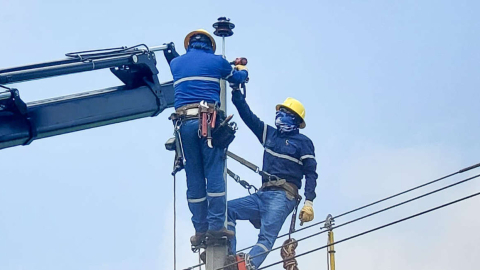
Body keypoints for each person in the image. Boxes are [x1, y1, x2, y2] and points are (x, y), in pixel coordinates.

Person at [169, 29, 248, 246]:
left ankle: (200, 229)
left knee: (193, 176)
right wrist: (242, 71)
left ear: (189, 44)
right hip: (208, 123)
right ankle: (215, 226)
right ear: (210, 45)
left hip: (183, 125)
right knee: (214, 172)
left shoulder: (176, 63)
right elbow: (237, 77)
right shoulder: (217, 62)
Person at [227, 89, 318, 269]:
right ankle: (227, 258)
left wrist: (309, 201)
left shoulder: (303, 142)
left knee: (266, 237)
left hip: (283, 196)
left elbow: (311, 173)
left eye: (286, 113)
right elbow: (248, 116)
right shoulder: (270, 134)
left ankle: (247, 267)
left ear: (297, 121)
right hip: (263, 194)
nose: (280, 116)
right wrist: (237, 92)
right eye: (280, 112)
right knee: (227, 209)